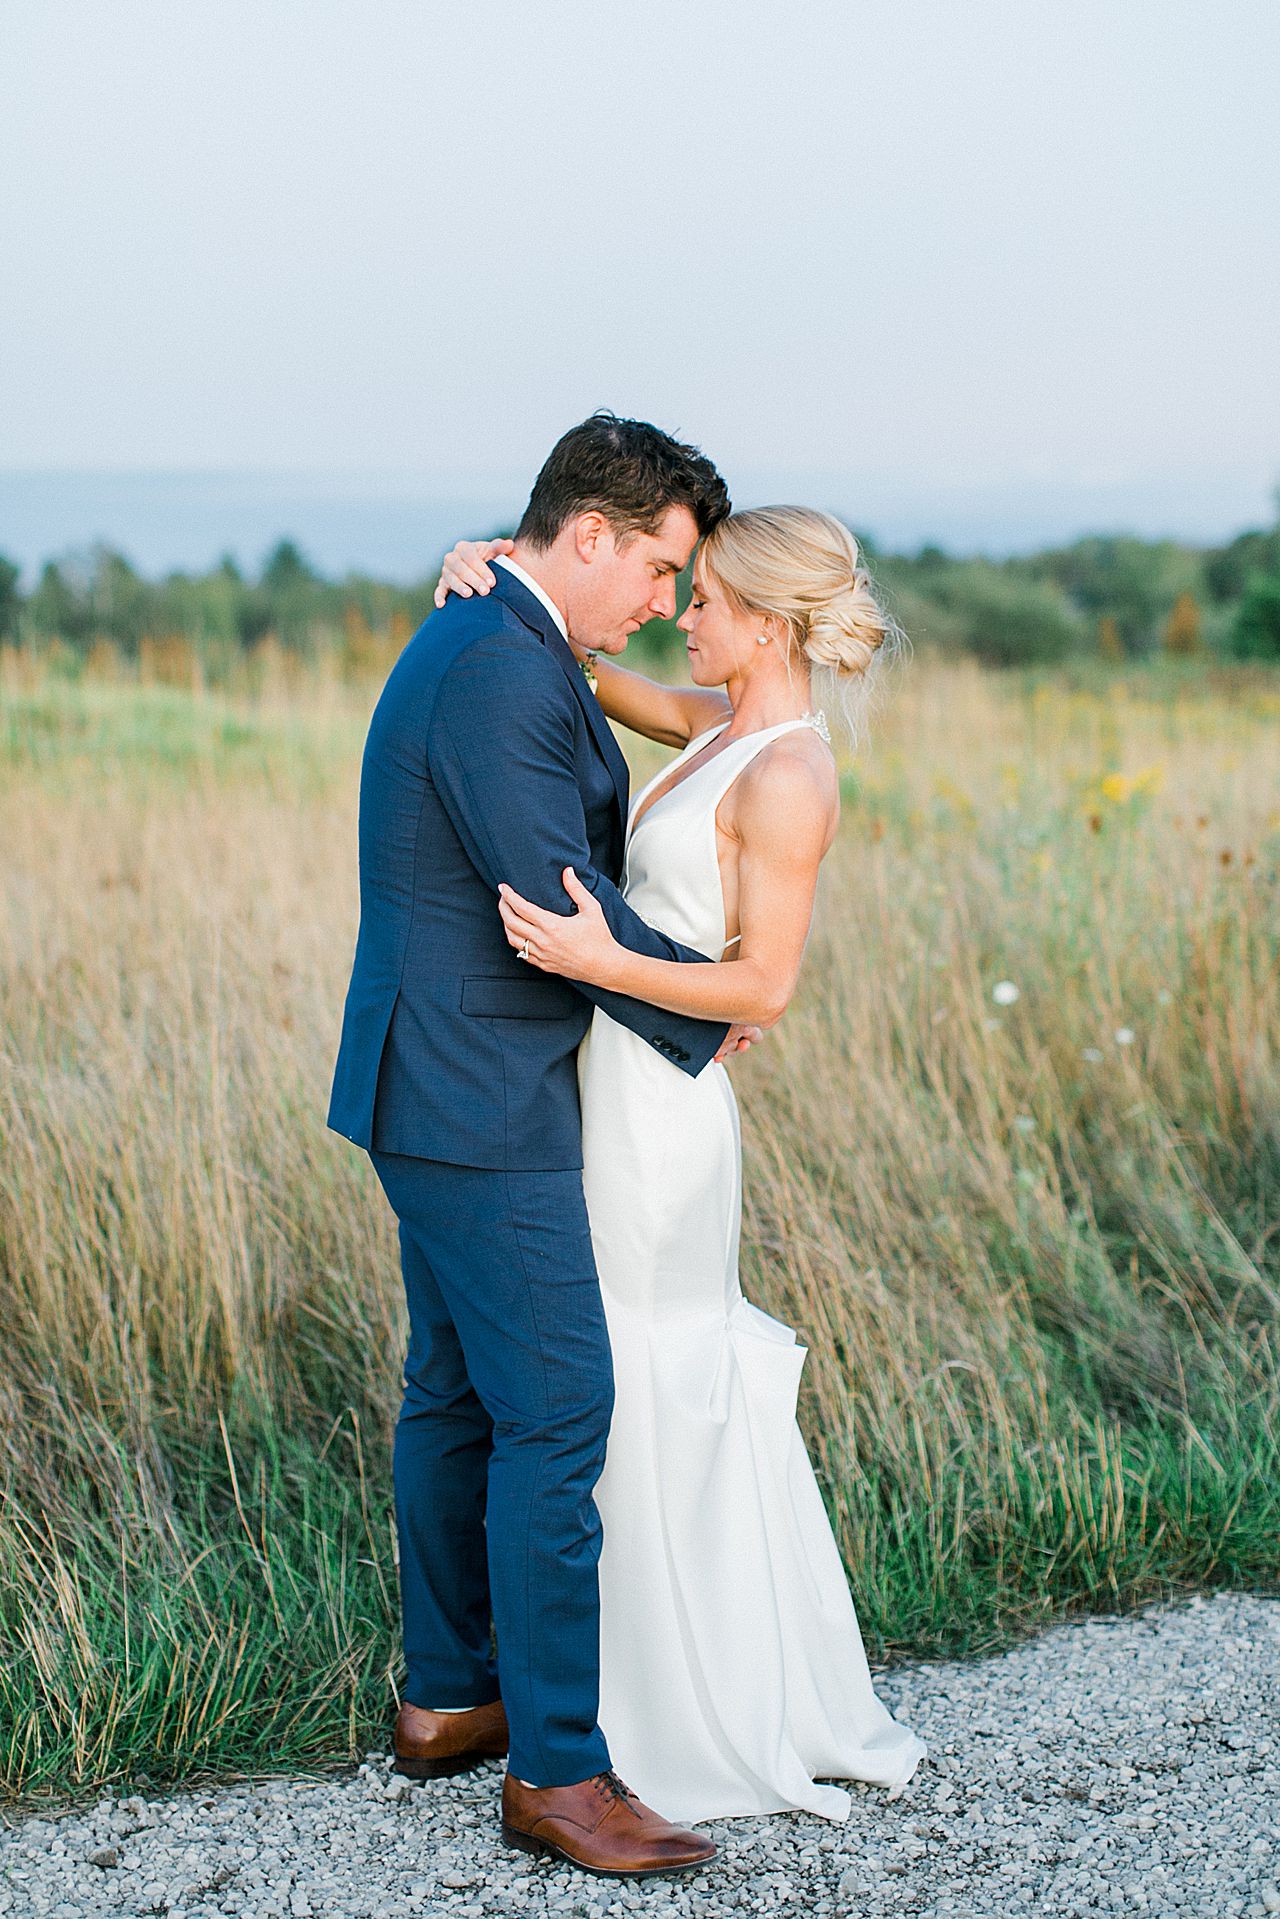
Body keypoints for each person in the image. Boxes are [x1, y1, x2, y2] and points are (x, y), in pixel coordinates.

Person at [435, 503, 926, 1825]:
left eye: (702, 600)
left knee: (642, 1365)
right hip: (618, 1085)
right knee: (605, 1368)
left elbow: (766, 979)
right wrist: (489, 576)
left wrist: (596, 961)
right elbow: (588, 666)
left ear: (765, 622)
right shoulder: (721, 728)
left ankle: (673, 1707)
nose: (682, 616)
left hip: (663, 1120)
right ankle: (617, 1685)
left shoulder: (789, 774)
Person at [328, 412, 754, 1881]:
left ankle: (451, 1698)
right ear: (588, 535)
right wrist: (707, 1009)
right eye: (657, 568)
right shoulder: (500, 667)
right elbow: (557, 903)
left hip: (432, 1084)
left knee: (453, 1394)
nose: (666, 603)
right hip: (476, 1096)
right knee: (560, 1407)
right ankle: (560, 1774)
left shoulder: (507, 637)